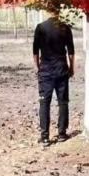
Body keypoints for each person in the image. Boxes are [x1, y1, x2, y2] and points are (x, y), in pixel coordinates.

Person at [32, 11, 75, 146]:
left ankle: (44, 136)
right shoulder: (65, 27)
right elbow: (71, 51)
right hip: (61, 69)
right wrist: (71, 67)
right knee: (63, 102)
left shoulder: (40, 27)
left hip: (46, 70)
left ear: (47, 11)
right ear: (59, 11)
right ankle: (62, 133)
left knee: (44, 103)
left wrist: (38, 67)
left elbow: (35, 51)